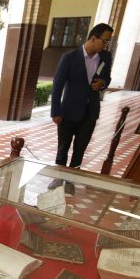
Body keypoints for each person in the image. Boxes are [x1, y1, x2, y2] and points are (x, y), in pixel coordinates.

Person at [50, 22, 113, 174]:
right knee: (62, 149)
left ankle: (71, 181)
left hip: (90, 112)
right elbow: (57, 85)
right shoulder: (69, 58)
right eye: (104, 41)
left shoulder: (105, 57)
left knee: (80, 150)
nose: (106, 45)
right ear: (93, 38)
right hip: (68, 112)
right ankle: (58, 180)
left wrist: (102, 83)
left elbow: (107, 78)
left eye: (108, 42)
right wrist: (55, 112)